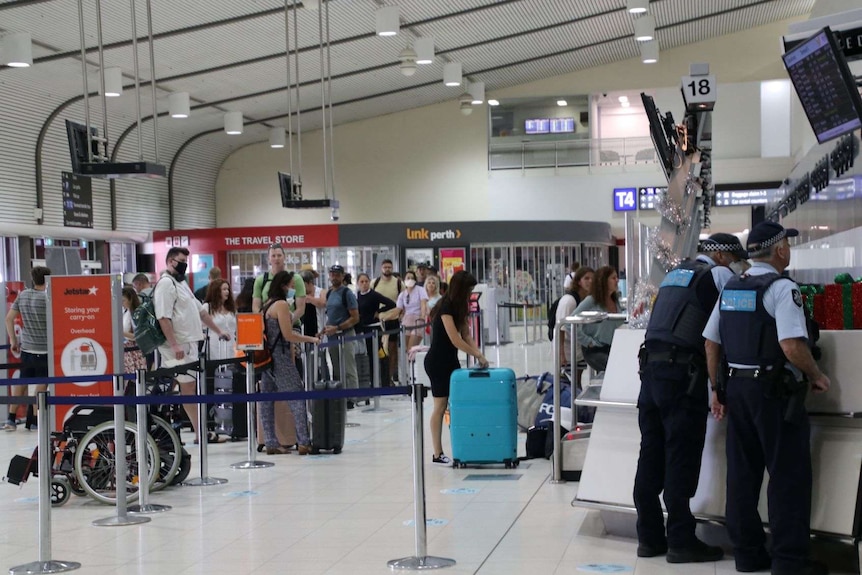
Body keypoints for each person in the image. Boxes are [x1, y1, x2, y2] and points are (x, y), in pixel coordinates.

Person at [704, 222, 830, 575]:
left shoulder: (731, 287)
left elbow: (710, 342)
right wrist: (816, 376)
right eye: (787, 244)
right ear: (780, 251)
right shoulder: (781, 288)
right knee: (788, 475)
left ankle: (747, 555)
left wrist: (718, 388)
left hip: (737, 391)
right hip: (773, 393)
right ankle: (789, 561)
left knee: (742, 476)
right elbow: (792, 345)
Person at [632, 233, 747, 563]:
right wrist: (718, 385)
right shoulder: (718, 275)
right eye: (737, 260)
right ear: (724, 256)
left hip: (650, 371)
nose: (740, 267)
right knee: (681, 452)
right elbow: (728, 327)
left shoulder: (675, 275)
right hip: (682, 374)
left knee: (651, 452)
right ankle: (681, 539)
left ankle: (649, 537)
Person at [155, 247, 231, 444]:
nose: (184, 264)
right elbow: (163, 317)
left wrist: (219, 331)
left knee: (191, 388)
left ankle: (201, 431)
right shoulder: (165, 284)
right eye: (181, 260)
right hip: (178, 345)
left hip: (189, 343)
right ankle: (200, 432)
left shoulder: (181, 284)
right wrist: (174, 345)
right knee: (187, 388)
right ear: (171, 261)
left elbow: (201, 313)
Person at [424, 270, 489, 464]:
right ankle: (437, 453)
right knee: (440, 406)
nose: (470, 293)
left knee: (455, 406)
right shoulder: (445, 306)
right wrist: (476, 354)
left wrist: (480, 354)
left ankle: (462, 445)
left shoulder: (460, 306)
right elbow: (454, 338)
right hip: (437, 362)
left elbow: (466, 335)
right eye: (468, 289)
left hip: (451, 361)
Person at [260, 271, 319, 455]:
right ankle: (303, 441)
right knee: (296, 396)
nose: (293, 289)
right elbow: (288, 335)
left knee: (266, 401)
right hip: (281, 357)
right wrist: (310, 339)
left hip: (266, 359)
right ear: (284, 285)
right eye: (292, 285)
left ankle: (271, 442)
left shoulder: (266, 304)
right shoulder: (281, 305)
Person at [4, 266, 51, 431]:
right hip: (45, 350)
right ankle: (35, 420)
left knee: (22, 382)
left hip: (27, 349)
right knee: (42, 384)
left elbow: (9, 318)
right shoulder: (48, 298)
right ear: (48, 279)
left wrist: (13, 339)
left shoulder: (22, 295)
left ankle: (11, 419)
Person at [573, 266, 625, 373]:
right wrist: (587, 341)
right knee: (614, 368)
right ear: (604, 281)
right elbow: (570, 322)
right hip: (595, 349)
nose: (617, 280)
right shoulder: (592, 300)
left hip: (612, 347)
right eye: (613, 278)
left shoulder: (614, 300)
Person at [320, 265, 359, 401]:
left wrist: (338, 327)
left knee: (348, 367)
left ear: (342, 276)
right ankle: (339, 397)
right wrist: (323, 330)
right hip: (332, 336)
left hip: (346, 334)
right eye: (332, 274)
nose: (334, 277)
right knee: (336, 368)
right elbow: (330, 315)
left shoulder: (347, 293)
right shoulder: (329, 293)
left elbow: (355, 317)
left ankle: (352, 398)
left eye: (337, 274)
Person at [555, 266, 594, 368]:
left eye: (592, 279)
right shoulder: (569, 301)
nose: (590, 281)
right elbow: (561, 328)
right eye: (586, 278)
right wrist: (561, 354)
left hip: (578, 347)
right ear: (578, 282)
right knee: (567, 380)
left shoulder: (586, 299)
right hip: (567, 350)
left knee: (577, 378)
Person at [372, 259, 403, 383]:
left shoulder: (399, 283)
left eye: (389, 267)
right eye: (385, 267)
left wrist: (401, 314)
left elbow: (404, 300)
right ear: (381, 268)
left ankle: (389, 377)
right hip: (378, 320)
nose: (387, 269)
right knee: (379, 350)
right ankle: (379, 377)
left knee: (392, 349)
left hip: (393, 320)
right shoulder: (375, 283)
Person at [356, 272, 396, 359]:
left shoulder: (374, 295)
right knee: (369, 354)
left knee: (377, 353)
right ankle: (372, 372)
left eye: (366, 281)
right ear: (358, 283)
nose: (364, 284)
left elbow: (391, 304)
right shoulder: (358, 295)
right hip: (364, 328)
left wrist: (378, 311)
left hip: (374, 327)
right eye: (361, 282)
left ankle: (381, 371)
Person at [202, 279, 237, 361]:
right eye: (224, 289)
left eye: (228, 289)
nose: (227, 292)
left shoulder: (232, 308)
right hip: (214, 347)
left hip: (232, 346)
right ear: (216, 291)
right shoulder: (207, 307)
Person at [396, 270, 428, 351]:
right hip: (406, 321)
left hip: (418, 319)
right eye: (408, 278)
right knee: (406, 349)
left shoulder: (420, 290)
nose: (410, 280)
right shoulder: (402, 294)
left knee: (412, 348)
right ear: (404, 280)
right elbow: (399, 309)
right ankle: (408, 363)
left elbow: (423, 304)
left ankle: (413, 362)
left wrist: (422, 317)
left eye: (412, 278)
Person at [121, 287, 147, 375]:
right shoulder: (125, 312)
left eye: (123, 300)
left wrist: (120, 333)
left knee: (135, 379)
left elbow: (137, 335)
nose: (122, 303)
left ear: (130, 299)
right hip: (127, 350)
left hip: (135, 351)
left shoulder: (137, 314)